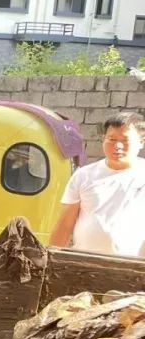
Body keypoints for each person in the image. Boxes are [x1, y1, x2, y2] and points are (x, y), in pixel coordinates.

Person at [51, 110, 145, 257]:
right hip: (84, 264)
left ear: (141, 142)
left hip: (131, 268)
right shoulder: (84, 176)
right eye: (112, 139)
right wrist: (51, 260)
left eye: (125, 140)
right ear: (103, 139)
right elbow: (65, 225)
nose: (117, 146)